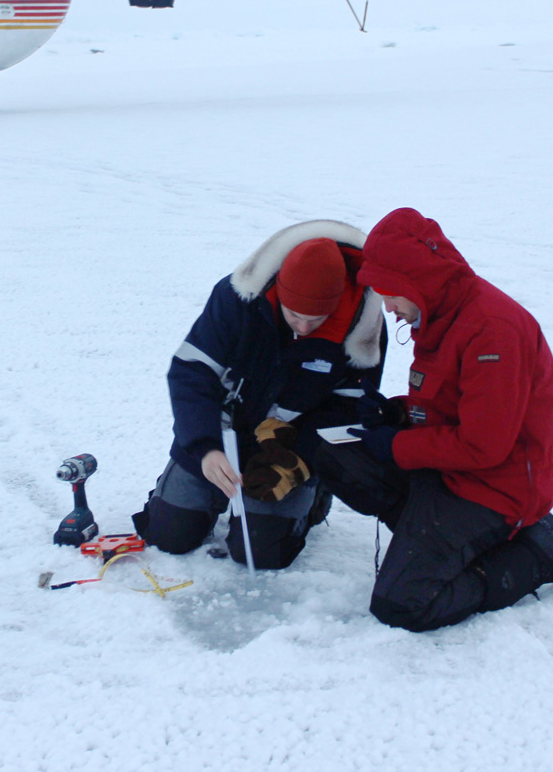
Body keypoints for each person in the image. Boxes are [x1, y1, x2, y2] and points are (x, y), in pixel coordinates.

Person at [309, 207, 553, 631]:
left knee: (402, 605)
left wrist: (394, 445)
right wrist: (394, 412)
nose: (388, 307)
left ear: (414, 282)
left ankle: (534, 557)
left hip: (496, 489)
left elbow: (482, 445)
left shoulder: (493, 331)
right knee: (335, 455)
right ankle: (446, 542)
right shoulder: (441, 312)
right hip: (449, 473)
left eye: (390, 292)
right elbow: (448, 404)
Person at [132, 220, 387, 569]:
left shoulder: (363, 325)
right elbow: (191, 371)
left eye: (317, 319)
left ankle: (313, 497)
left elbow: (351, 407)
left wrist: (298, 458)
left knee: (261, 552)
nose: (303, 326)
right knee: (169, 535)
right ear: (279, 290)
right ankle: (191, 490)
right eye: (295, 315)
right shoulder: (237, 298)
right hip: (219, 431)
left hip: (286, 446)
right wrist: (204, 448)